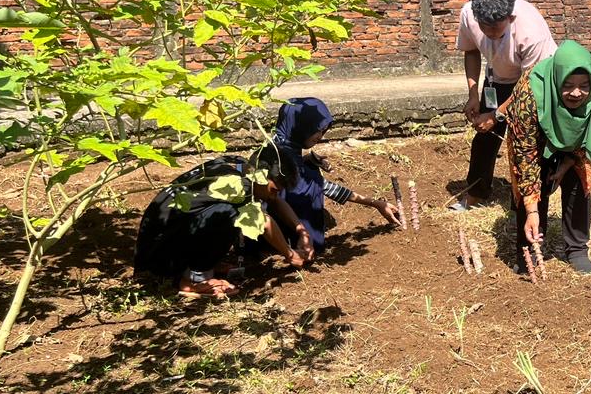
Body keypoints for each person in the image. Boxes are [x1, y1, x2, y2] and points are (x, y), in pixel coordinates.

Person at [135, 143, 308, 298]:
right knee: (229, 213)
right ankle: (194, 280)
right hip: (158, 257)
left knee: (229, 210)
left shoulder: (239, 165)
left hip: (164, 239)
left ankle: (197, 264)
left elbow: (274, 200)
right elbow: (263, 221)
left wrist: (301, 230)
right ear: (259, 174)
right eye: (273, 190)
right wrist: (291, 254)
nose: (273, 195)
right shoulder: (237, 187)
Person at [503, 40, 591, 274]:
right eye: (568, 85)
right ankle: (529, 248)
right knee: (536, 183)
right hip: (535, 136)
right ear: (556, 79)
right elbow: (526, 155)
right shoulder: (530, 94)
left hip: (575, 137)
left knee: (577, 180)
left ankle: (577, 249)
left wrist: (570, 160)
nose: (576, 93)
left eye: (584, 85)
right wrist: (531, 210)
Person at [452, 0, 558, 211]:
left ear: (510, 17)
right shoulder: (469, 14)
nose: (489, 33)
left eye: (496, 28)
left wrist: (497, 115)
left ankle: (522, 202)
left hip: (534, 80)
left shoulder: (531, 31)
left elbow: (530, 83)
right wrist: (473, 94)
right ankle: (476, 194)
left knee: (524, 139)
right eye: (485, 27)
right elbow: (471, 51)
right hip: (497, 78)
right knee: (484, 137)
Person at [273, 98, 400, 258]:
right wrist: (375, 203)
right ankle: (298, 242)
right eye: (316, 130)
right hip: (278, 222)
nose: (320, 136)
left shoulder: (278, 144)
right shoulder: (286, 160)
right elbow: (326, 187)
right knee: (312, 180)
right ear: (301, 127)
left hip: (269, 215)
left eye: (323, 131)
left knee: (310, 171)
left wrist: (306, 161)